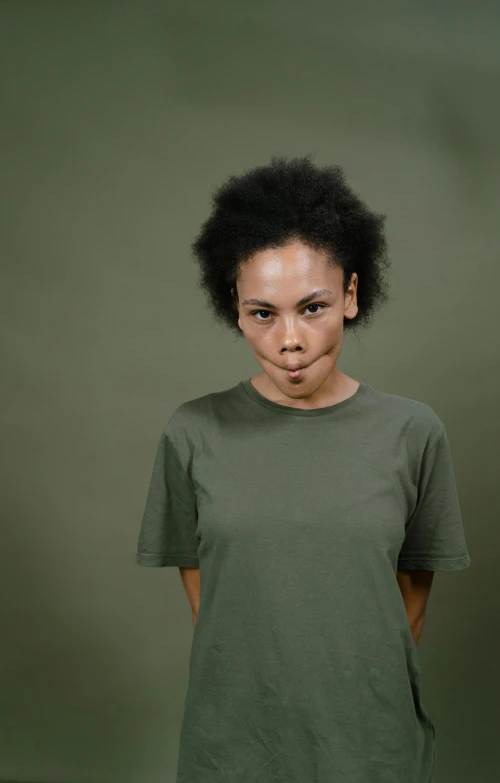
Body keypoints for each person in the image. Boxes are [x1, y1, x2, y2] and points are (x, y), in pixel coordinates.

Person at [135, 155, 471, 783]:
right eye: (263, 313)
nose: (289, 339)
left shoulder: (412, 433)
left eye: (311, 307)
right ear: (234, 307)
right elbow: (210, 605)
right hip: (232, 751)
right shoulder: (193, 432)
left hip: (373, 751)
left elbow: (411, 606)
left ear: (349, 294)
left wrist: (349, 709)